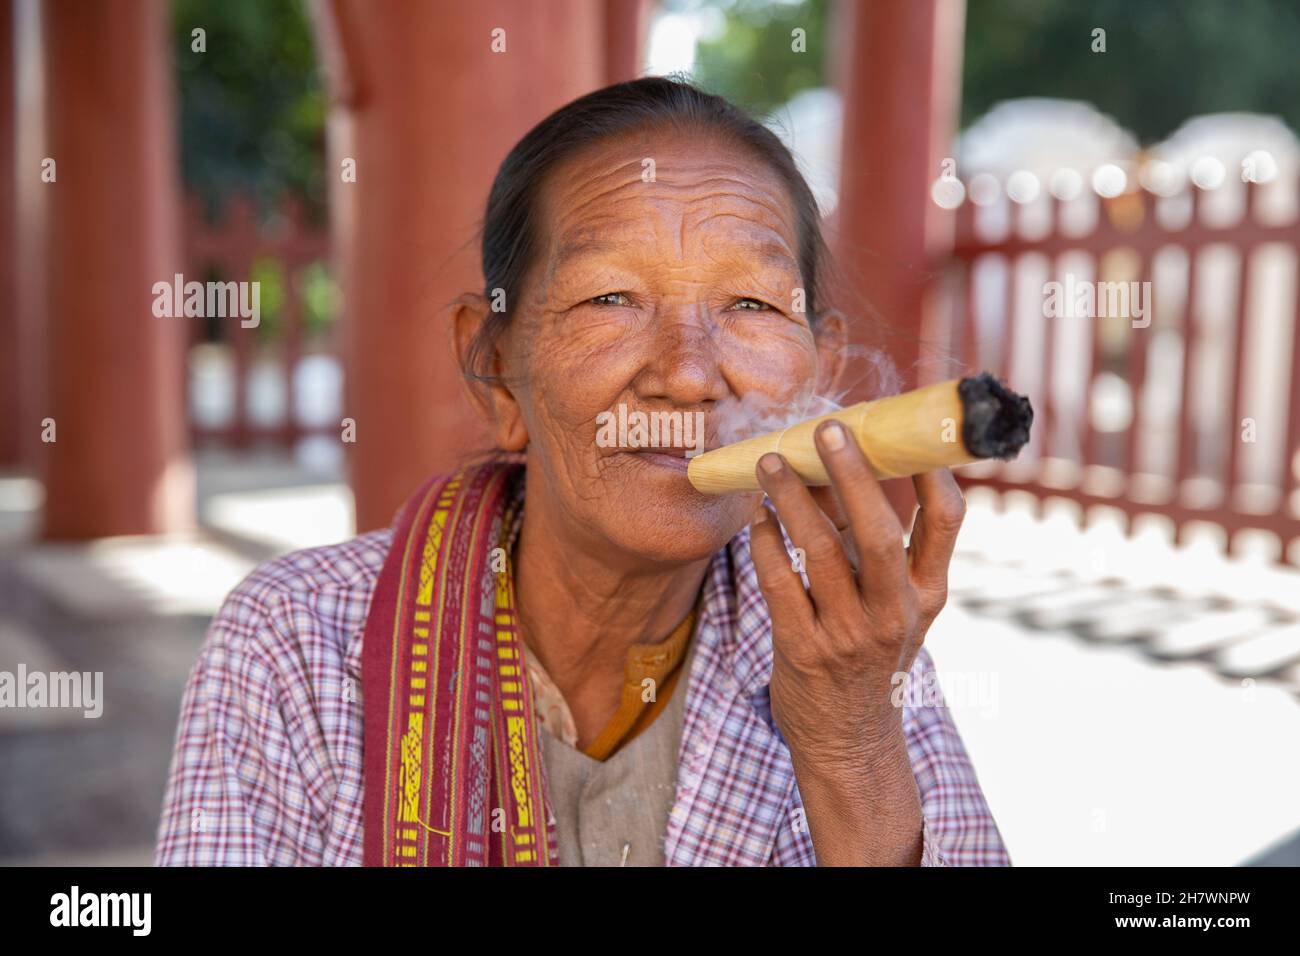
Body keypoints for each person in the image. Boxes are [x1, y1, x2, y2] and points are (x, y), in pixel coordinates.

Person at [155, 76, 1010, 867]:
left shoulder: (848, 649)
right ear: (495, 369)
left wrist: (849, 739)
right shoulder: (296, 644)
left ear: (817, 376)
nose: (686, 372)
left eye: (750, 305)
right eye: (611, 299)